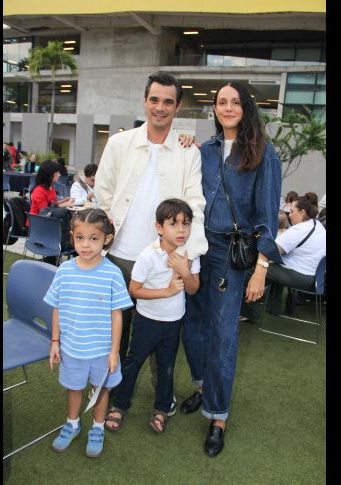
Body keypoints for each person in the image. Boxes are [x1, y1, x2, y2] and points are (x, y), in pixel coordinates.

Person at [179, 81, 282, 458]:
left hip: (232, 253)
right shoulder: (203, 150)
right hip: (197, 248)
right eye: (221, 102)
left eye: (235, 102)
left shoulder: (262, 153)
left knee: (223, 332)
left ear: (246, 107)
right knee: (193, 322)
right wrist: (185, 144)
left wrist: (261, 267)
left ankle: (218, 417)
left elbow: (268, 215)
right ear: (215, 109)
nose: (227, 107)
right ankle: (204, 387)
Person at [95, 71, 208, 411]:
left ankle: (162, 398)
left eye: (168, 101)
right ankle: (113, 394)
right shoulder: (119, 143)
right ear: (145, 101)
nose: (160, 107)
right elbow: (102, 197)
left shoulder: (189, 152)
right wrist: (98, 245)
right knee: (117, 332)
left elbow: (196, 205)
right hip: (119, 256)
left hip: (166, 259)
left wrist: (187, 256)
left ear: (178, 106)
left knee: (163, 334)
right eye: (155, 99)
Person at [104, 199, 200, 434]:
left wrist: (185, 271)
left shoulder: (190, 255)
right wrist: (166, 291)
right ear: (159, 227)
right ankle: (119, 405)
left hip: (173, 323)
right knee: (133, 363)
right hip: (146, 321)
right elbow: (133, 291)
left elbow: (193, 288)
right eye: (173, 223)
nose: (181, 230)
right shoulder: (148, 255)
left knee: (166, 366)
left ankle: (162, 409)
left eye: (185, 224)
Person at [45, 208, 134, 458]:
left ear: (106, 238)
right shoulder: (64, 271)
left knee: (100, 389)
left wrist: (114, 352)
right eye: (80, 237)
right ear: (72, 236)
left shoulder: (113, 274)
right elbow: (57, 308)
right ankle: (72, 424)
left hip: (102, 351)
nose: (86, 245)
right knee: (73, 388)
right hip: (71, 348)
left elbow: (118, 315)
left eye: (93, 238)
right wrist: (55, 341)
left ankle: (98, 427)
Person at [264, 196, 326, 315]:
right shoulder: (317, 225)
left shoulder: (299, 229)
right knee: (277, 264)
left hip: (301, 277)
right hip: (316, 278)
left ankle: (248, 312)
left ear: (302, 212)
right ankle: (272, 307)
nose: (289, 215)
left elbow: (271, 251)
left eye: (292, 211)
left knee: (253, 267)